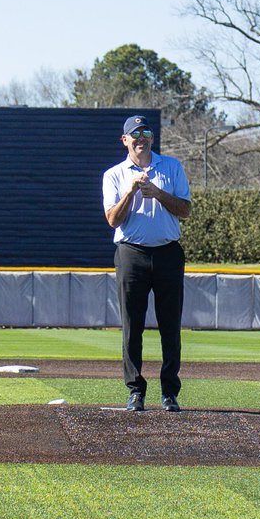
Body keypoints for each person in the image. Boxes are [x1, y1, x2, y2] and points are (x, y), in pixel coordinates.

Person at [102, 114, 191, 412]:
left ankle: (169, 392)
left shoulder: (171, 167)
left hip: (168, 251)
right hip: (131, 254)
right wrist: (130, 191)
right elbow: (113, 219)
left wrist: (158, 193)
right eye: (135, 133)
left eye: (146, 132)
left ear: (153, 138)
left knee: (170, 325)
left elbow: (186, 209)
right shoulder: (114, 174)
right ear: (125, 140)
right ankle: (135, 391)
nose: (141, 137)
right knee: (132, 325)